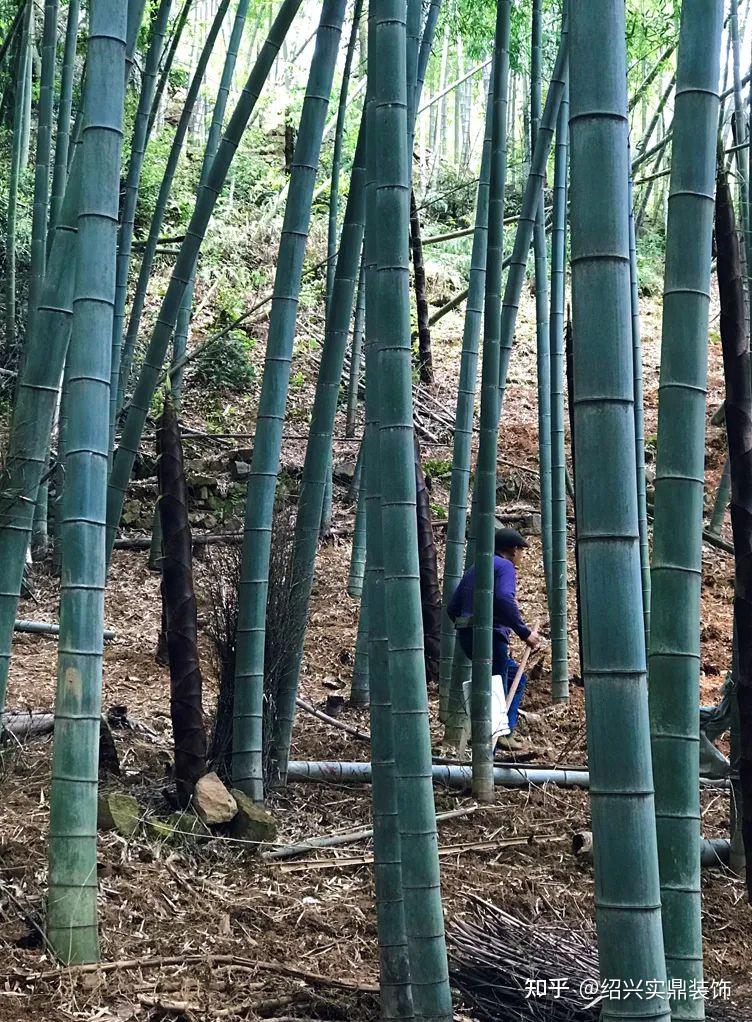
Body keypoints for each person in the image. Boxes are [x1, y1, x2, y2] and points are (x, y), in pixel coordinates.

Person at [447, 527, 540, 750]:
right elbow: (503, 598)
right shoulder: (505, 566)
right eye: (521, 551)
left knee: (503, 682)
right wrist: (525, 633)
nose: (521, 556)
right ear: (513, 550)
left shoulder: (475, 567)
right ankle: (496, 743)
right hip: (490, 639)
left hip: (468, 639)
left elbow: (452, 607)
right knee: (497, 690)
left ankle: (493, 738)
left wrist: (469, 627)